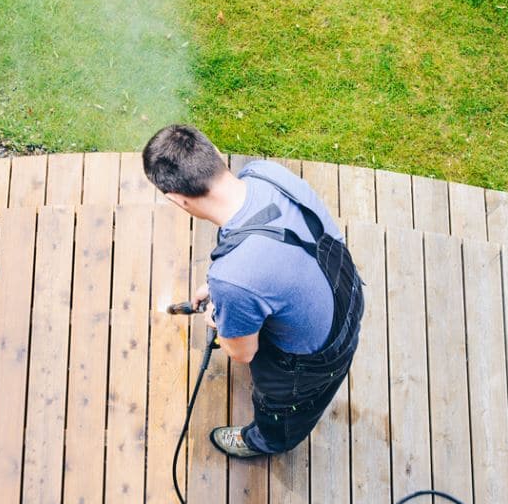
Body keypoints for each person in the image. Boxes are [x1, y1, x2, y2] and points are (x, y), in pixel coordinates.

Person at [142, 124, 364, 458]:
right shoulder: (265, 174)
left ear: (177, 200)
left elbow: (242, 353)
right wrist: (231, 291)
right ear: (215, 151)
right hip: (345, 292)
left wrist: (224, 312)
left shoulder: (233, 279)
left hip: (316, 359)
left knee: (284, 410)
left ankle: (267, 441)